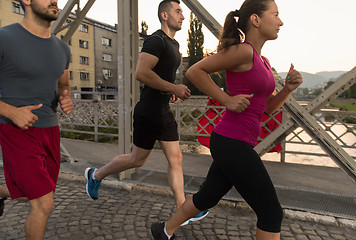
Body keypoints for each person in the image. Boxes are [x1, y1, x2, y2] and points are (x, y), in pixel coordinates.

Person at [150, 0, 303, 239]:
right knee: (271, 213)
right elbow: (194, 71)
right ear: (256, 19)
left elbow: (267, 109)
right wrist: (226, 99)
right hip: (232, 142)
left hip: (234, 141)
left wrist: (288, 89)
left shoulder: (263, 62)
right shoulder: (242, 51)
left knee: (206, 197)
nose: (280, 21)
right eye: (275, 15)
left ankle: (164, 230)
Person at [84, 0, 208, 224]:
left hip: (163, 108)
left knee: (176, 158)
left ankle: (182, 210)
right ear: (164, 15)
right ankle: (95, 175)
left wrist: (169, 92)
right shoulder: (156, 40)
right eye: (178, 11)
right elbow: (141, 73)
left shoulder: (175, 45)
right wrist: (173, 87)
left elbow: (159, 78)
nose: (183, 16)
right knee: (136, 160)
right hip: (149, 111)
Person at [0, 0, 73, 238]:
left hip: (50, 130)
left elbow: (64, 84)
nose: (55, 1)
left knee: (31, 194)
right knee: (43, 203)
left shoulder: (63, 49)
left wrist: (65, 98)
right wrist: (12, 112)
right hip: (15, 131)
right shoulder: (4, 38)